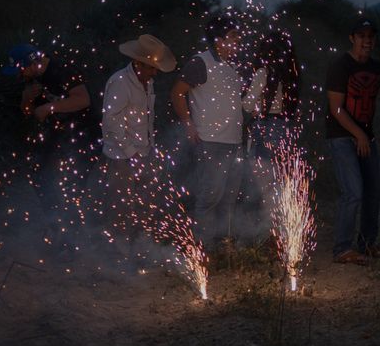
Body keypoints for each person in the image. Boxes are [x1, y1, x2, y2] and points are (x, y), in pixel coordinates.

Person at [2, 43, 99, 260]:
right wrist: (27, 98)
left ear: (33, 63)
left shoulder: (61, 70)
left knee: (72, 187)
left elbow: (83, 100)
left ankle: (72, 242)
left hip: (85, 135)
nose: (20, 74)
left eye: (21, 70)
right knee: (39, 175)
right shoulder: (32, 79)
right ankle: (56, 226)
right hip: (58, 135)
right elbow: (28, 112)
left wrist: (50, 107)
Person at [326, 18, 380, 266]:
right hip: (342, 136)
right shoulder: (341, 66)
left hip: (365, 138)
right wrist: (358, 135)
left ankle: (367, 243)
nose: (367, 40)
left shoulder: (376, 68)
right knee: (353, 192)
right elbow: (336, 109)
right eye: (361, 36)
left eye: (370, 36)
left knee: (373, 192)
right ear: (352, 38)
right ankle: (342, 248)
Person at [171, 15, 243, 248]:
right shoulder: (201, 62)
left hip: (233, 141)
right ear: (219, 40)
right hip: (210, 140)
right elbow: (177, 93)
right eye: (233, 37)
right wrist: (188, 124)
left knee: (229, 197)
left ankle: (222, 245)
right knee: (209, 196)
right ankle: (201, 248)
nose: (238, 41)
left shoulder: (233, 67)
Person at [100, 34, 176, 256]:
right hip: (121, 157)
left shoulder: (147, 82)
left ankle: (139, 248)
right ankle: (117, 253)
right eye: (151, 68)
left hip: (143, 152)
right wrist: (131, 153)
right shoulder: (120, 82)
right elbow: (111, 120)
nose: (155, 72)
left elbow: (145, 119)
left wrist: (148, 149)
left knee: (145, 203)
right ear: (138, 63)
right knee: (120, 206)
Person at [242, 30, 301, 228]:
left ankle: (260, 234)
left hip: (265, 128)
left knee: (260, 187)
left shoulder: (263, 73)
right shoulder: (292, 75)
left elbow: (248, 105)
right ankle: (278, 231)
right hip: (285, 128)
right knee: (279, 184)